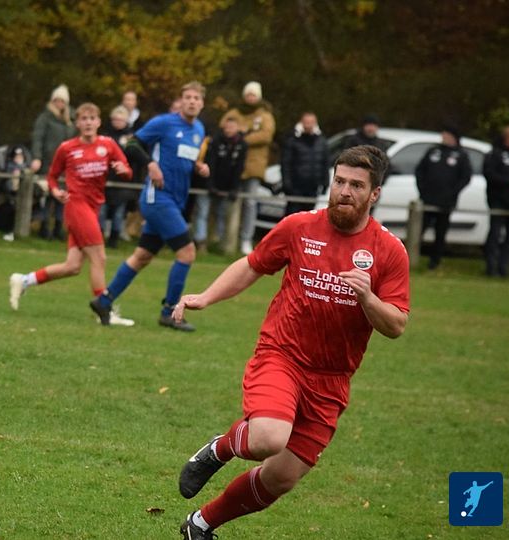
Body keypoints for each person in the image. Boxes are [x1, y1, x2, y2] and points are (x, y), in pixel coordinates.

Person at [173, 145, 410, 540]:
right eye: (339, 182)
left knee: (281, 477)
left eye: (356, 185)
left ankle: (200, 524)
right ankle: (220, 449)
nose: (344, 191)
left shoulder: (389, 250)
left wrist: (368, 299)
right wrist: (207, 296)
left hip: (332, 378)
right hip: (281, 355)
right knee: (268, 437)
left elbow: (397, 324)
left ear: (374, 194)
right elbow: (253, 265)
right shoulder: (299, 227)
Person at [88, 81, 210, 331]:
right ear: (181, 101)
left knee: (142, 256)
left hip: (175, 200)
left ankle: (103, 301)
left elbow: (183, 159)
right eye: (187, 97)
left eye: (196, 98)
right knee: (187, 252)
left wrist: (198, 167)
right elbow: (132, 144)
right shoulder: (164, 123)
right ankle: (170, 312)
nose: (192, 101)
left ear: (202, 103)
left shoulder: (199, 129)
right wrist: (150, 165)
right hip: (158, 198)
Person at [8, 103, 133, 324]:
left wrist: (124, 171)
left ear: (99, 122)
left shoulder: (108, 144)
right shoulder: (67, 148)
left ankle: (24, 280)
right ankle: (104, 310)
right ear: (77, 123)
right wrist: (56, 191)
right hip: (76, 206)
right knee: (99, 257)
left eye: (92, 118)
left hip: (94, 207)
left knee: (73, 266)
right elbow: (52, 176)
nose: (88, 122)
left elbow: (127, 170)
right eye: (83, 119)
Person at [219, 81, 275, 255]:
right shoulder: (234, 113)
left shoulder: (265, 115)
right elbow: (224, 127)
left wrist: (243, 138)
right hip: (232, 165)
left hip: (253, 166)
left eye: (254, 95)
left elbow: (266, 135)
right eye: (248, 94)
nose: (250, 98)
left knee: (250, 203)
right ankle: (227, 239)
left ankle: (246, 239)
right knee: (230, 201)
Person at [414, 125, 472, 269]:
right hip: (428, 199)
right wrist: (422, 190)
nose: (444, 137)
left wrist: (452, 193)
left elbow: (465, 177)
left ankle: (435, 262)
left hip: (446, 202)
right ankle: (410, 258)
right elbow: (420, 170)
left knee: (440, 232)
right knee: (418, 229)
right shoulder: (433, 151)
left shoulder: (461, 155)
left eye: (447, 135)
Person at [31, 84, 77, 241]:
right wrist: (36, 157)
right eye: (57, 100)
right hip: (48, 162)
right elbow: (37, 138)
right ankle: (44, 226)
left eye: (62, 101)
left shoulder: (71, 120)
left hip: (66, 164)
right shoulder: (45, 118)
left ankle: (58, 226)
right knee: (48, 194)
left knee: (63, 196)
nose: (59, 104)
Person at [99, 105, 145, 248]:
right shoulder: (104, 136)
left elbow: (137, 158)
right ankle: (98, 238)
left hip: (123, 182)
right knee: (101, 211)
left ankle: (114, 239)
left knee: (118, 213)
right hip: (105, 180)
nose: (118, 122)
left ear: (126, 121)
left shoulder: (131, 138)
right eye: (115, 119)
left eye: (121, 120)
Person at [199, 117, 247, 248]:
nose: (229, 130)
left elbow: (239, 168)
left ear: (237, 128)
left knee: (222, 213)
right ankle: (200, 241)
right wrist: (210, 184)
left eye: (232, 127)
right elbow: (211, 163)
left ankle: (219, 242)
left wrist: (234, 188)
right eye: (227, 127)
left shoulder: (242, 145)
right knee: (203, 212)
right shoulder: (215, 141)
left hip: (227, 185)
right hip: (211, 183)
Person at [482, 124, 509, 277]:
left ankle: (504, 267)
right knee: (495, 235)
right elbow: (489, 174)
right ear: (508, 138)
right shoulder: (494, 154)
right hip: (498, 202)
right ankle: (491, 267)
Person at [280, 112, 329, 217]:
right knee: (292, 216)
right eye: (306, 122)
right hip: (295, 186)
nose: (309, 125)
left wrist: (325, 182)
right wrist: (286, 182)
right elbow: (286, 163)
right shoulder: (292, 139)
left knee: (308, 217)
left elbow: (325, 163)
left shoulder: (321, 141)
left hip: (313, 187)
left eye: (311, 122)